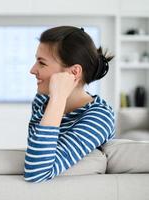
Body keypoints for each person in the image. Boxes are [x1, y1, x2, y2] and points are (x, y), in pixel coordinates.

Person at [24, 26, 115, 182]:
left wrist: (58, 100)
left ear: (74, 72)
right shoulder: (42, 102)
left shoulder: (100, 117)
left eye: (42, 63)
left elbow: (36, 172)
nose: (32, 70)